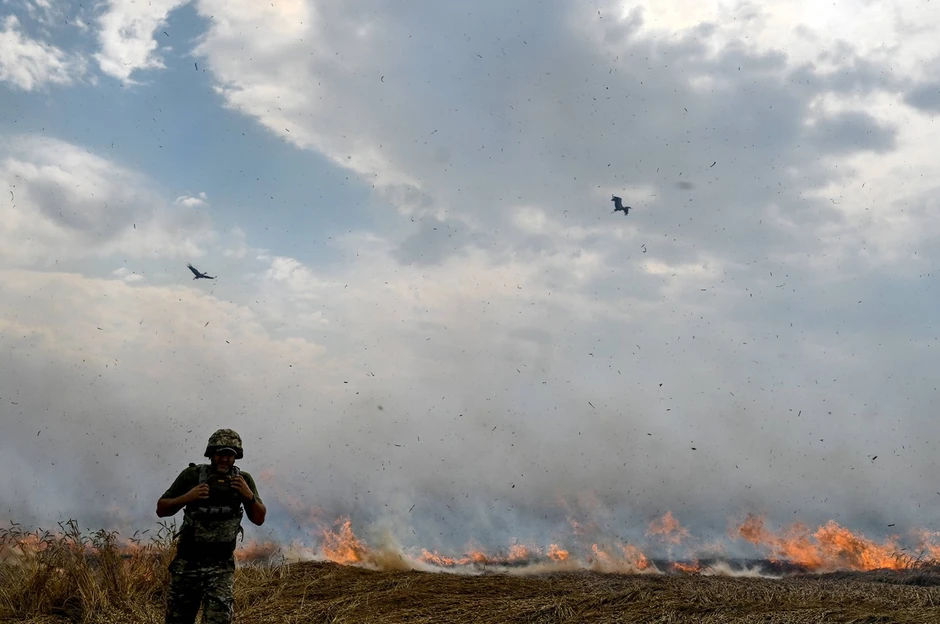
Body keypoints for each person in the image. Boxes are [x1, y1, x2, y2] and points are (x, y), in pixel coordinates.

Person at [156, 428, 266, 624]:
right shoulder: (192, 475)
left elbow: (259, 518)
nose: (224, 459)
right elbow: (162, 508)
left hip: (220, 567)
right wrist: (188, 497)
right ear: (211, 454)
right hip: (188, 564)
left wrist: (248, 496)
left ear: (236, 457)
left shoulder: (243, 480)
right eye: (220, 454)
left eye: (230, 454)